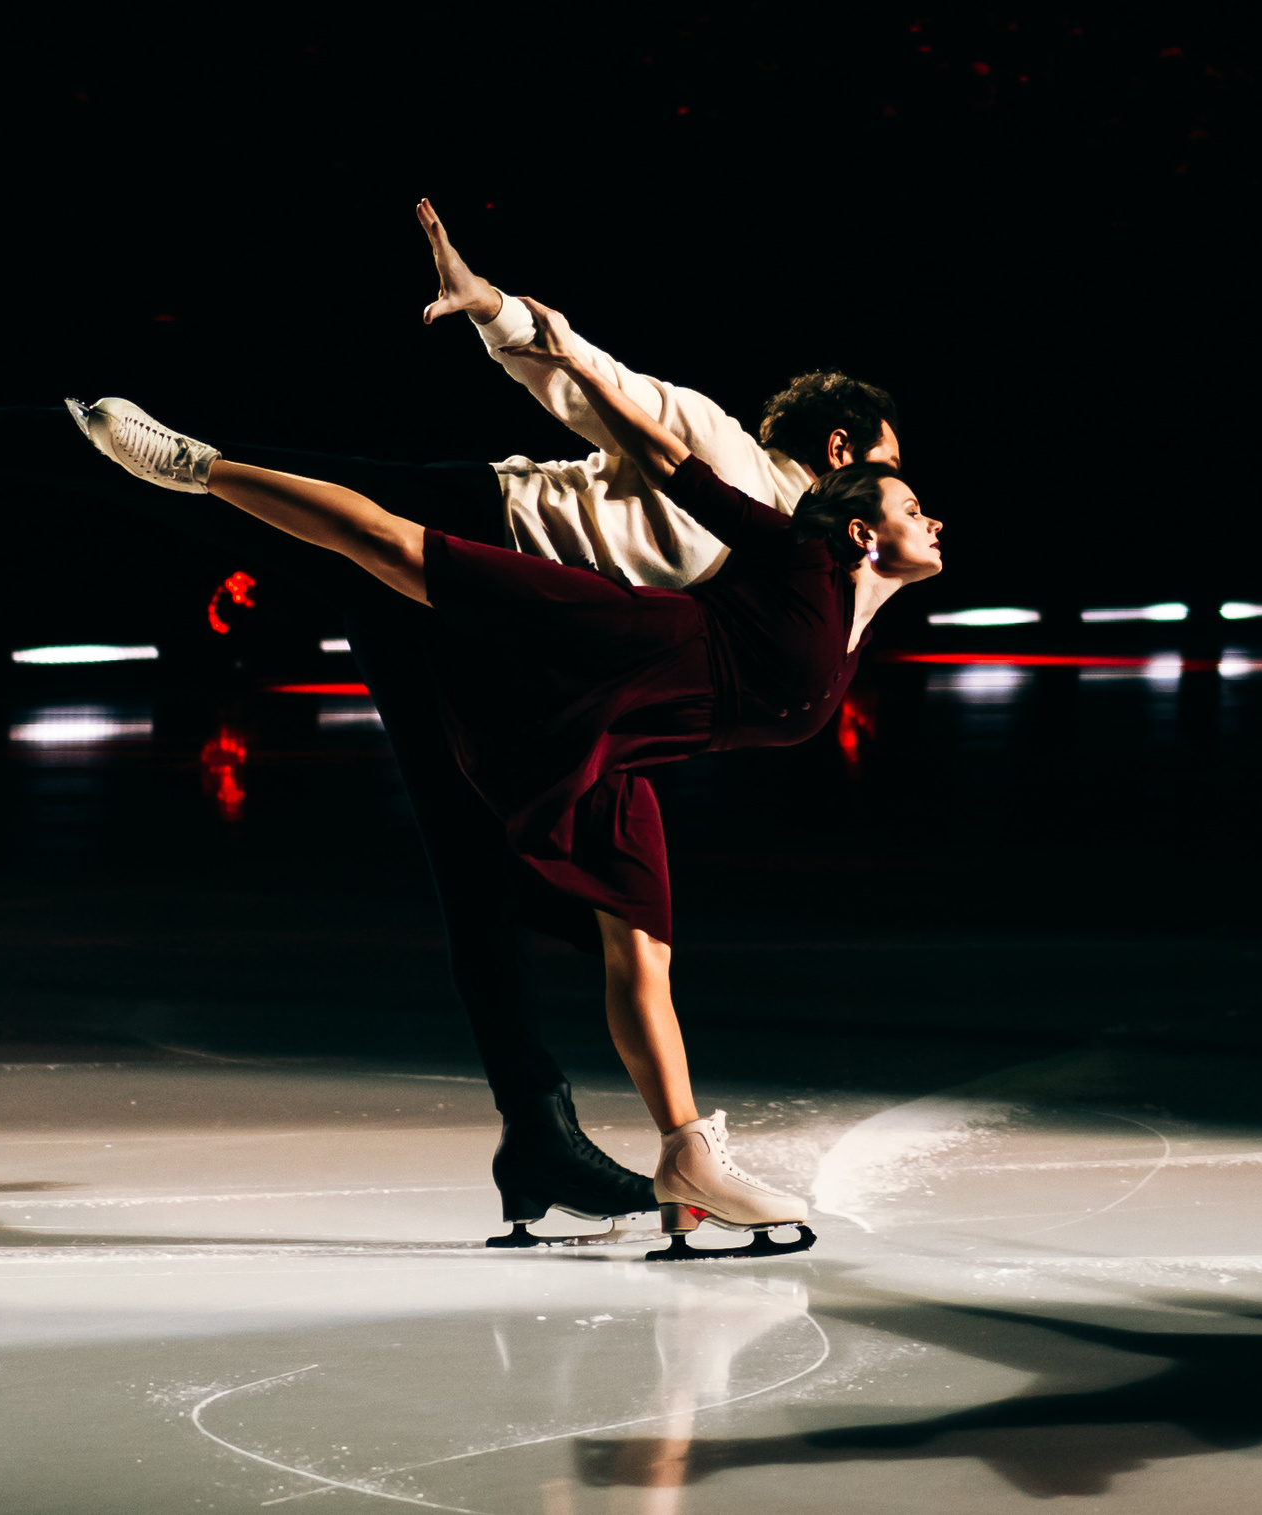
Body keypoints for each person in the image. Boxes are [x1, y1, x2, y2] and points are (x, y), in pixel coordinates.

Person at [0, 201, 902, 1243]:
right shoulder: (736, 456)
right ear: (841, 450)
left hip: (505, 653)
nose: (895, 494)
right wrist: (499, 310)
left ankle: (534, 1130)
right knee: (175, 471)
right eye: (891, 469)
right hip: (470, 534)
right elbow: (603, 388)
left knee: (473, 868)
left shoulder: (808, 556)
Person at [66, 292, 944, 1254]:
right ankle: (193, 465)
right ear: (861, 519)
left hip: (626, 748)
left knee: (643, 946)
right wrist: (547, 336)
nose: (930, 512)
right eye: (908, 498)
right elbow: (663, 454)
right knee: (396, 548)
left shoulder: (853, 628)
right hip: (608, 643)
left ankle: (687, 1157)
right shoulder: (794, 552)